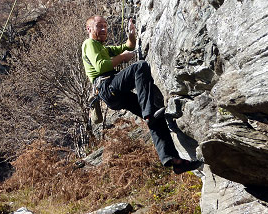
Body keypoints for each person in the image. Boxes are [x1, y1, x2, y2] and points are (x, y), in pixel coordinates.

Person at [82, 15, 202, 174]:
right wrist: (124, 57)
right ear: (89, 29)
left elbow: (128, 46)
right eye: (99, 26)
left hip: (114, 93)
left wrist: (131, 36)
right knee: (140, 67)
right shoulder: (89, 43)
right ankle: (148, 111)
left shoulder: (102, 47)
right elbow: (102, 67)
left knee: (156, 117)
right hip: (107, 86)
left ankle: (173, 160)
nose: (104, 29)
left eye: (105, 25)